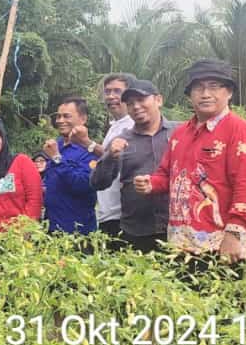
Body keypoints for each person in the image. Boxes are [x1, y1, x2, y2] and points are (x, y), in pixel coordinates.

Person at [135, 59, 246, 272]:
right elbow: (167, 174)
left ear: (228, 92)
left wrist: (233, 234)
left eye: (214, 87)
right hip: (181, 244)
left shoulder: (238, 131)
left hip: (219, 245)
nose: (205, 94)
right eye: (198, 88)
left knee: (222, 304)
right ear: (190, 95)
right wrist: (151, 184)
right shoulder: (180, 133)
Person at [88, 80, 177, 254]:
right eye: (130, 103)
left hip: (177, 229)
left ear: (158, 100)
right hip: (136, 231)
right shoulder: (121, 141)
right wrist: (110, 158)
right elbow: (98, 183)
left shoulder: (180, 132)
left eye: (141, 100)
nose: (136, 107)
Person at [40, 97, 97, 235]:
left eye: (66, 116)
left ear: (83, 119)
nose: (60, 120)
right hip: (51, 229)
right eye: (58, 116)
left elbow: (83, 184)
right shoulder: (55, 145)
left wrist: (56, 158)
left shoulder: (91, 150)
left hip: (78, 233)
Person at [91, 73, 137, 240]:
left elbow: (121, 158)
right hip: (107, 212)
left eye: (117, 91)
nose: (111, 96)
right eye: (107, 91)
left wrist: (87, 143)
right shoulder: (115, 126)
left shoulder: (132, 125)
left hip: (122, 214)